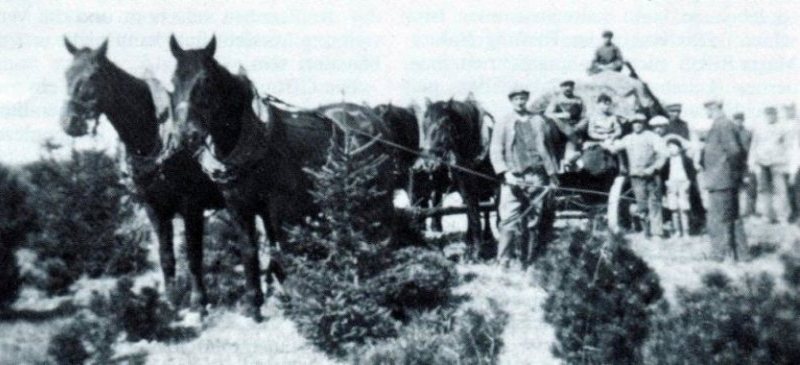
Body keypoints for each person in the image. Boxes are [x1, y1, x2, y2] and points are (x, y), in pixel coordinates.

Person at [491, 87, 559, 268]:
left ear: (527, 99)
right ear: (511, 101)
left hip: (537, 177)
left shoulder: (538, 120)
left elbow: (548, 149)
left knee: (533, 222)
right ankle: (503, 262)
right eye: (516, 99)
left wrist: (552, 175)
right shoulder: (503, 122)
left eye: (523, 98)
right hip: (513, 177)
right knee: (508, 220)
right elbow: (496, 150)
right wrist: (505, 172)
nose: (520, 101)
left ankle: (527, 263)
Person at [606, 114, 667, 238]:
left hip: (652, 176)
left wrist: (653, 168)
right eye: (634, 123)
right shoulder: (628, 139)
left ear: (644, 124)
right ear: (631, 125)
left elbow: (663, 155)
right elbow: (614, 149)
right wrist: (607, 141)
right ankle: (646, 232)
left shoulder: (652, 137)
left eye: (640, 122)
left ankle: (657, 233)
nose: (637, 125)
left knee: (654, 203)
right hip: (636, 176)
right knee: (641, 205)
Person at [701, 100, 747, 261]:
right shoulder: (722, 124)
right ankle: (740, 255)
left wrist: (732, 175)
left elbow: (734, 151)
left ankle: (723, 255)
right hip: (723, 179)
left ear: (714, 108)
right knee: (730, 217)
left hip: (722, 180)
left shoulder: (723, 125)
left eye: (708, 108)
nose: (706, 112)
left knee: (721, 219)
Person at [749, 106, 791, 224]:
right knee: (764, 191)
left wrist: (787, 163)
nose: (770, 117)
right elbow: (754, 146)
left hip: (777, 164)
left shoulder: (782, 128)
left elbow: (789, 147)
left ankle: (783, 217)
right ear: (765, 115)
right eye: (768, 114)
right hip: (762, 164)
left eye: (772, 114)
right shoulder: (759, 129)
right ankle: (767, 216)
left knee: (781, 190)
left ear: (776, 115)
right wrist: (751, 162)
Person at [545, 80, 587, 171]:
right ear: (561, 87)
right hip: (561, 126)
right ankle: (569, 158)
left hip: (576, 126)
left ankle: (569, 159)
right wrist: (563, 115)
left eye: (570, 86)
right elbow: (547, 113)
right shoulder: (557, 99)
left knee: (573, 134)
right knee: (556, 123)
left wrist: (579, 126)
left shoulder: (579, 100)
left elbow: (584, 116)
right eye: (565, 86)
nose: (568, 88)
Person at [663, 139, 696, 237]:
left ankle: (686, 231)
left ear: (680, 148)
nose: (672, 149)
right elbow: (663, 174)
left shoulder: (686, 160)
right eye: (669, 147)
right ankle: (677, 231)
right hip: (671, 184)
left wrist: (688, 183)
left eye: (674, 146)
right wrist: (667, 183)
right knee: (674, 209)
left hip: (683, 184)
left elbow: (691, 173)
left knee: (684, 208)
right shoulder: (667, 161)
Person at [732, 112, 757, 217]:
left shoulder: (747, 133)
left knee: (751, 187)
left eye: (740, 120)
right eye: (736, 119)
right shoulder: (731, 133)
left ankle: (750, 211)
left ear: (743, 120)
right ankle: (735, 211)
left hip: (746, 163)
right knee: (734, 189)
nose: (738, 122)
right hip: (734, 164)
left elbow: (753, 147)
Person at [783, 103, 800, 223]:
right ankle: (793, 212)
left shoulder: (797, 124)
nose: (788, 112)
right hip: (787, 163)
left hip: (796, 163)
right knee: (789, 190)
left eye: (790, 110)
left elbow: (796, 149)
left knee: (797, 190)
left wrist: (794, 169)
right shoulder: (785, 125)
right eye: (786, 110)